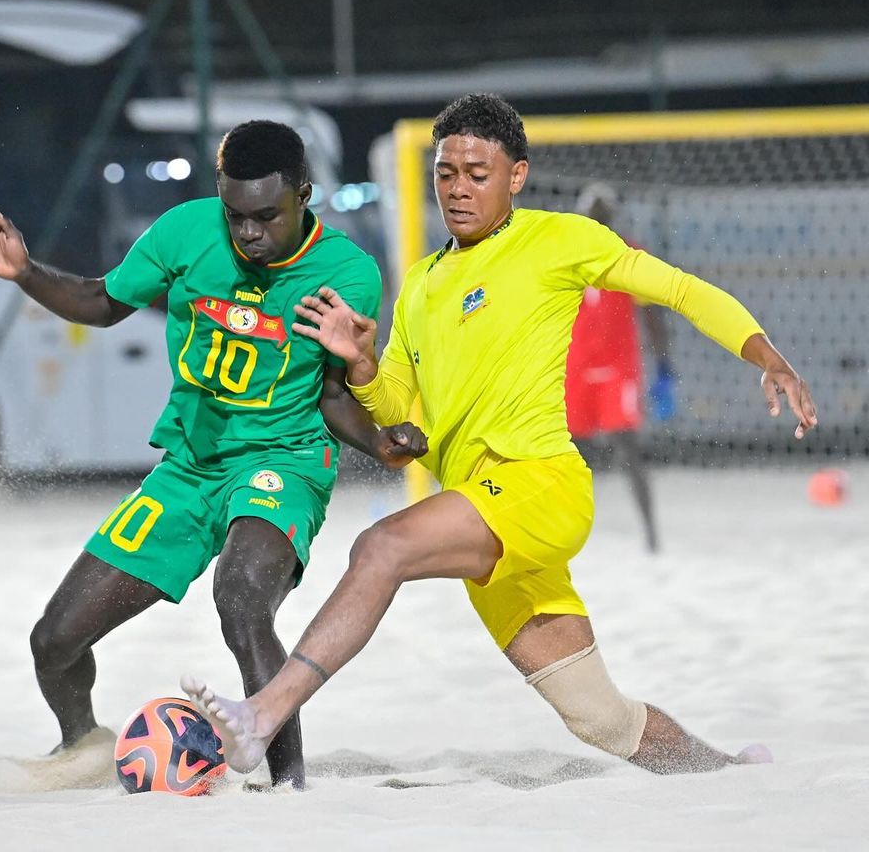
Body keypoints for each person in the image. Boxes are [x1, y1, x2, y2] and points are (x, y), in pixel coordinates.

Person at [182, 94, 817, 777]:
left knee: (382, 546)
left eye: (477, 173)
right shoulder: (423, 282)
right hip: (484, 510)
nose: (457, 188)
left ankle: (263, 714)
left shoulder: (560, 240)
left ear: (516, 175)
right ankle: (726, 770)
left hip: (536, 481)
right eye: (446, 172)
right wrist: (361, 362)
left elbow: (682, 290)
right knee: (600, 719)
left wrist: (766, 356)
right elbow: (398, 403)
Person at [0, 120, 426, 790]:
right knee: (53, 643)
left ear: (305, 195)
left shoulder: (346, 272)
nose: (250, 233)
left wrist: (381, 442)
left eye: (267, 216)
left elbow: (331, 397)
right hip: (189, 468)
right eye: (236, 216)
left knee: (240, 595)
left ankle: (289, 786)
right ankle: (84, 745)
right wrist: (26, 272)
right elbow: (99, 302)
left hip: (284, 461)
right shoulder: (184, 232)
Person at [565, 182, 675, 552]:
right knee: (565, 453)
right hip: (575, 366)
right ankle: (563, 534)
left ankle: (652, 534)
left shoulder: (631, 255)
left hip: (617, 368)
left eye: (603, 213)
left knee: (628, 449)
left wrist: (664, 367)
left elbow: (654, 315)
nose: (597, 219)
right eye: (592, 213)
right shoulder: (566, 257)